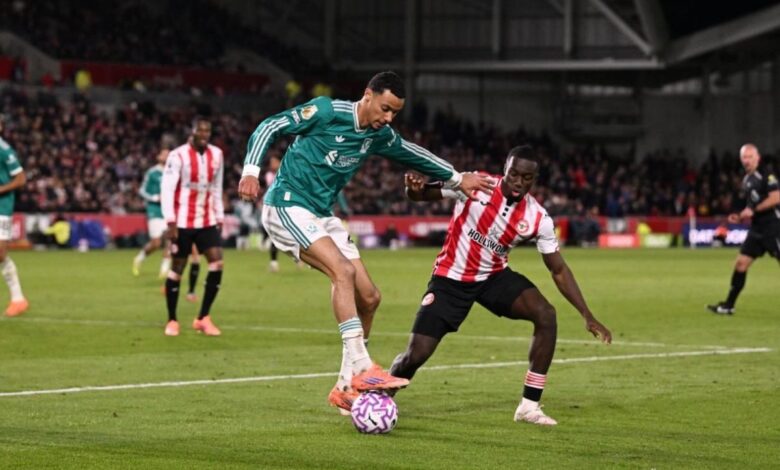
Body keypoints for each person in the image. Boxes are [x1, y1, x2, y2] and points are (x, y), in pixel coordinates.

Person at [237, 71, 494, 413]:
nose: (388, 118)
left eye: (395, 113)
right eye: (385, 108)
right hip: (286, 203)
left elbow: (412, 153)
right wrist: (251, 171)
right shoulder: (328, 112)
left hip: (321, 214)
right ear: (368, 96)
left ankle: (345, 388)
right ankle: (361, 365)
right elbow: (270, 126)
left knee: (370, 297)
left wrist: (457, 177)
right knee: (341, 271)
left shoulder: (379, 135)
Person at [389, 145, 613, 426]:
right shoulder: (476, 185)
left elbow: (557, 269)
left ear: (535, 179)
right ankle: (380, 397)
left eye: (527, 177)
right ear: (505, 169)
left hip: (493, 277)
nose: (519, 182)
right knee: (416, 354)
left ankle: (529, 406)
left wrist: (587, 314)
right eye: (514, 174)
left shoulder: (538, 218)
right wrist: (414, 187)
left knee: (546, 314)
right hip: (451, 277)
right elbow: (420, 195)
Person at [160, 117, 225, 337]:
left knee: (217, 263)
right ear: (193, 131)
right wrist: (170, 221)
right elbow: (167, 189)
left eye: (208, 130)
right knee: (177, 269)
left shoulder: (217, 155)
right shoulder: (177, 155)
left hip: (206, 220)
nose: (205, 134)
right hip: (182, 222)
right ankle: (172, 319)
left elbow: (216, 187)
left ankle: (203, 317)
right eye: (201, 130)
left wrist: (220, 216)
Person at [707, 144, 779, 315]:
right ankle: (728, 305)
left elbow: (776, 198)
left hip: (774, 228)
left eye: (750, 157)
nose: (746, 160)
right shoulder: (747, 180)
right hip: (757, 230)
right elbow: (751, 206)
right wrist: (740, 216)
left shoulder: (766, 175)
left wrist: (753, 210)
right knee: (741, 264)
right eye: (744, 157)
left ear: (757, 157)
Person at [0, 116, 29, 317]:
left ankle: (18, 299)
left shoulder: (4, 149)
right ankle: (18, 299)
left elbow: (21, 179)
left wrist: (1, 189)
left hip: (2, 206)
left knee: (0, 253)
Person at [133, 147, 172, 278]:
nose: (166, 157)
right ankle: (139, 258)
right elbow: (142, 191)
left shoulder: (173, 172)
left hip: (169, 209)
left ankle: (164, 269)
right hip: (154, 209)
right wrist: (155, 197)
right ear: (158, 157)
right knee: (156, 243)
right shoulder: (152, 172)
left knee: (171, 239)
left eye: (168, 155)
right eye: (164, 154)